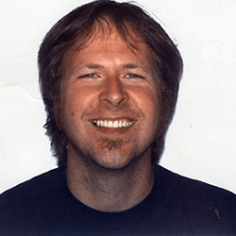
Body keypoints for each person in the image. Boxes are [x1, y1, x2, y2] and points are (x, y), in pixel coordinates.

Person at [0, 0, 235, 235]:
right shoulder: (8, 222)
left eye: (133, 75)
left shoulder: (223, 221)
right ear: (56, 100)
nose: (114, 95)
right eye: (90, 75)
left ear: (164, 101)